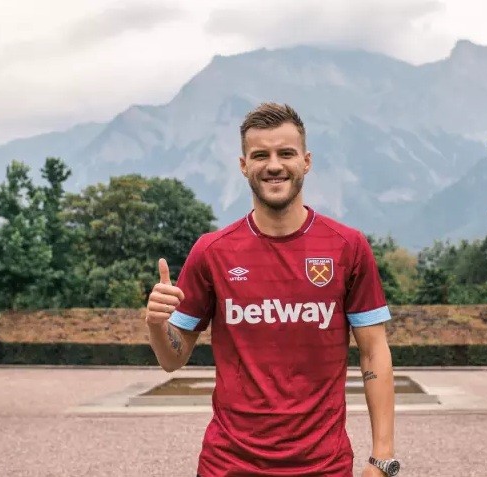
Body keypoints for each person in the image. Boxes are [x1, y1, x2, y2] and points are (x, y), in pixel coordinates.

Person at [145, 103, 399, 477]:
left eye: (286, 153)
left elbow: (374, 351)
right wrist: (156, 324)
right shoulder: (212, 251)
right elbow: (172, 359)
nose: (274, 165)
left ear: (306, 162)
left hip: (323, 466)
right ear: (243, 165)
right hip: (228, 465)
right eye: (261, 155)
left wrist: (382, 459)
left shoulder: (348, 247)